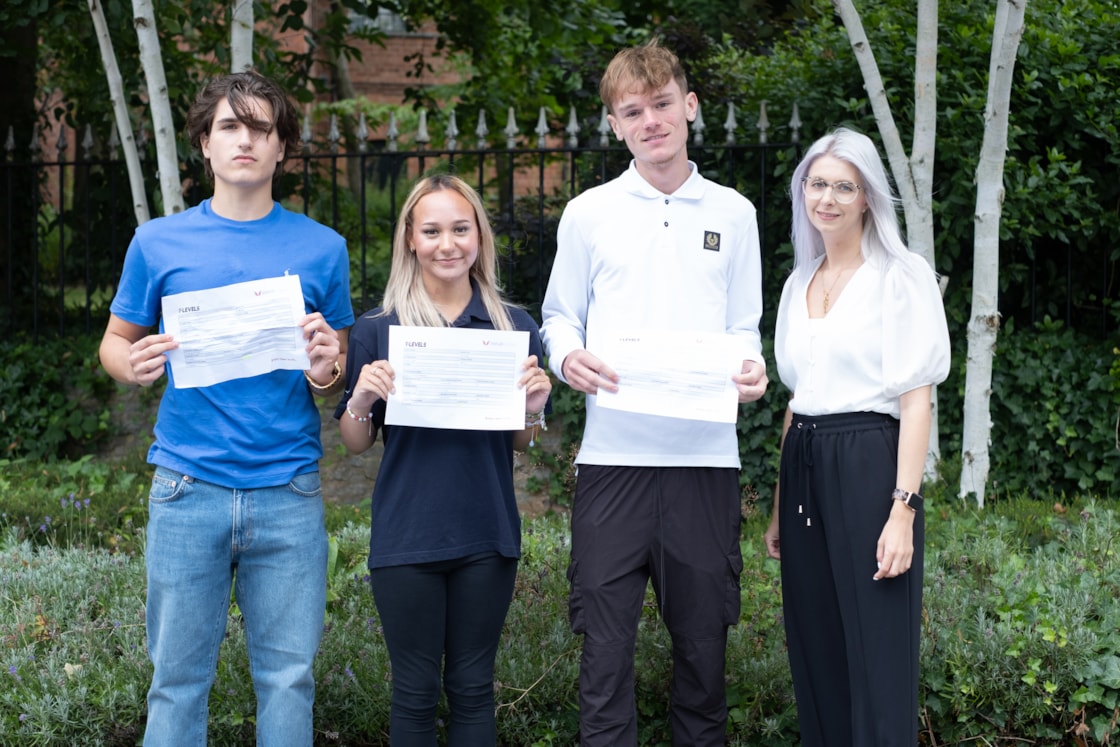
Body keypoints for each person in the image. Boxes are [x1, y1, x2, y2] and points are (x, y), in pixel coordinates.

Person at [99, 71, 353, 746]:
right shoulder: (157, 242)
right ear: (205, 146)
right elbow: (115, 343)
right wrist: (133, 363)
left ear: (281, 149)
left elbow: (332, 368)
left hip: (288, 489)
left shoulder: (323, 248)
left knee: (289, 678)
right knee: (176, 681)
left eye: (260, 128)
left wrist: (329, 365)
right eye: (230, 127)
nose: (245, 140)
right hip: (188, 487)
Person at [540, 39, 768, 746]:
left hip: (706, 464)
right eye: (632, 111)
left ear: (689, 106)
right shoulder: (588, 212)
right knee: (604, 662)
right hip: (612, 465)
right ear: (615, 124)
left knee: (703, 661)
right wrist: (567, 355)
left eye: (662, 104)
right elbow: (556, 316)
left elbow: (744, 327)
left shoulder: (733, 213)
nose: (651, 121)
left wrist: (753, 371)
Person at [336, 173, 552, 746]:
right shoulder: (377, 329)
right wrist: (359, 398)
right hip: (407, 535)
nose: (447, 243)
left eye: (461, 228)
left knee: (474, 688)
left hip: (487, 534)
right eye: (431, 230)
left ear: (479, 234)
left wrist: (532, 409)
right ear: (410, 238)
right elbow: (356, 443)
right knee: (412, 693)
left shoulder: (515, 328)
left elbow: (520, 443)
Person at [763, 127, 951, 746]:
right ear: (803, 192)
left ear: (867, 196)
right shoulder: (798, 283)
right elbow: (798, 399)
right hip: (805, 467)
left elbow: (916, 398)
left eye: (845, 186)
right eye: (818, 184)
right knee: (815, 647)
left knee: (877, 652)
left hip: (872, 464)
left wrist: (904, 509)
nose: (829, 199)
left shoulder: (900, 276)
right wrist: (776, 508)